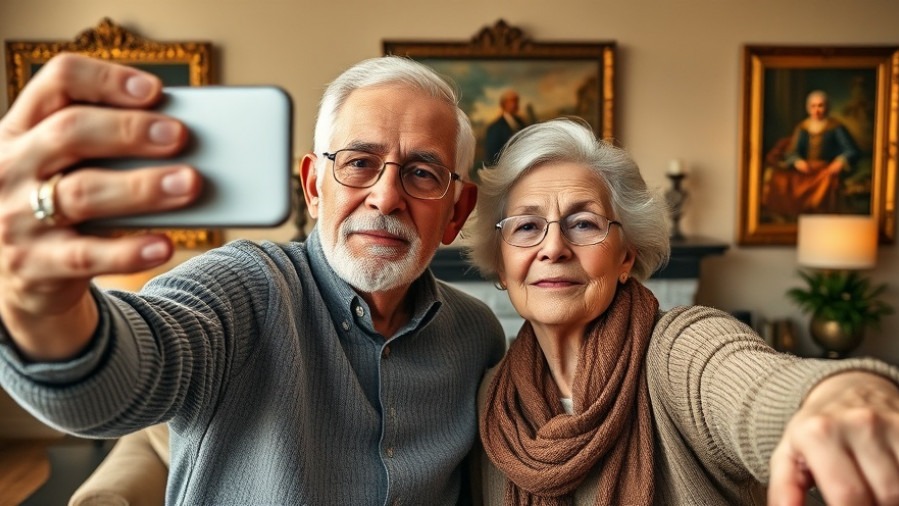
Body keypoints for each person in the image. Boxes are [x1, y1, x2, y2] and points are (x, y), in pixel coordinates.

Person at [0, 53, 506, 504]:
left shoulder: (477, 334)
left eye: (422, 173)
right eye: (359, 163)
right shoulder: (249, 286)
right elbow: (117, 381)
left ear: (457, 212)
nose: (386, 196)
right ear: (313, 187)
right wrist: (46, 309)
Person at [463, 118, 899, 505]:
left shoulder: (678, 350)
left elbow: (754, 385)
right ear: (502, 264)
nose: (553, 248)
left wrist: (837, 395)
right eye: (526, 226)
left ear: (626, 258)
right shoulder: (492, 404)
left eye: (584, 223)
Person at [762, 90, 861, 220]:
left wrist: (840, 161)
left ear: (827, 107)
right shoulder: (803, 127)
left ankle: (817, 215)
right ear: (808, 108)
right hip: (805, 169)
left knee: (826, 182)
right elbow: (792, 152)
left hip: (825, 169)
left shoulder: (836, 127)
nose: (817, 110)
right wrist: (797, 161)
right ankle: (788, 216)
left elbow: (852, 150)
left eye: (820, 105)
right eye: (813, 106)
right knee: (780, 178)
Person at [484, 89, 529, 165]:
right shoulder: (495, 128)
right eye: (512, 101)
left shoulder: (521, 121)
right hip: (508, 167)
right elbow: (494, 156)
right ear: (503, 104)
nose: (515, 104)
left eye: (516, 101)